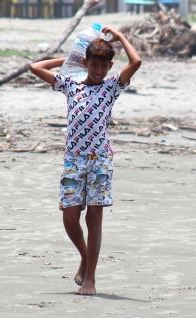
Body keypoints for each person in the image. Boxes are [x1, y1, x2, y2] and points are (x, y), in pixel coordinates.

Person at [29, 26, 141, 295]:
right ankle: (84, 256)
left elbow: (136, 62)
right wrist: (69, 61)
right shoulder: (70, 84)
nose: (99, 71)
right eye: (94, 65)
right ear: (86, 63)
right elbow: (35, 67)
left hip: (99, 160)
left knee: (94, 219)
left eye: (104, 66)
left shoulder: (112, 87)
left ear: (109, 66)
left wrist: (119, 37)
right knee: (69, 218)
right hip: (73, 161)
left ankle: (90, 279)